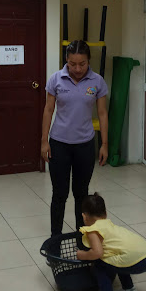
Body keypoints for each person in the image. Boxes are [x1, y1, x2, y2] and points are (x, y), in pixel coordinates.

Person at [41, 40, 108, 237]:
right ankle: (55, 238)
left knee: (81, 194)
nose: (77, 69)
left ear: (89, 61)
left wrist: (104, 144)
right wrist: (44, 141)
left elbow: (102, 113)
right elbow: (48, 110)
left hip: (85, 145)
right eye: (72, 64)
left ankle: (82, 238)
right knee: (59, 194)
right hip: (59, 144)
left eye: (82, 64)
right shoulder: (56, 79)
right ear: (66, 60)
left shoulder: (97, 81)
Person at [77, 193, 146, 291]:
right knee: (117, 260)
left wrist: (83, 255)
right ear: (105, 214)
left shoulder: (92, 230)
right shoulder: (110, 225)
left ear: (84, 217)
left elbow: (97, 253)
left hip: (132, 259)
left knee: (100, 265)